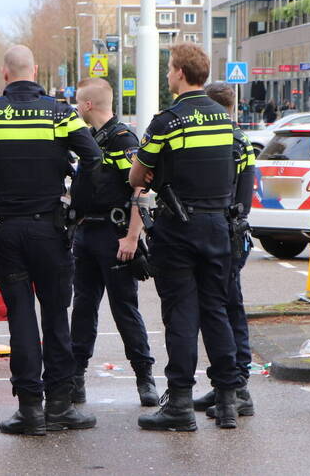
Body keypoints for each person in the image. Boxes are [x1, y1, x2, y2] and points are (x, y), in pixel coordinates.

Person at [0, 45, 101, 436]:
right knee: (56, 316)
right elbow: (93, 160)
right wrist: (75, 209)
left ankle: (29, 410)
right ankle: (60, 406)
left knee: (21, 317)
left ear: (5, 74)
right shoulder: (60, 113)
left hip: (5, 230)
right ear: (36, 70)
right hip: (50, 229)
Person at [130, 43, 240, 431]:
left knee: (181, 313)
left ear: (178, 72)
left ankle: (179, 403)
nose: (166, 74)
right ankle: (228, 401)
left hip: (178, 227)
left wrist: (143, 167)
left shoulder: (167, 121)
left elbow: (136, 177)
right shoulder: (226, 121)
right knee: (216, 312)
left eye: (169, 68)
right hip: (217, 226)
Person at [68, 77, 157, 408]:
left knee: (124, 309)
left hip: (114, 235)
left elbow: (140, 189)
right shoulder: (89, 139)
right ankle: (76, 379)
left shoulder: (122, 139)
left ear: (88, 105)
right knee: (83, 308)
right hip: (86, 235)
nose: (77, 108)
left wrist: (132, 236)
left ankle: (144, 378)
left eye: (79, 103)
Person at [195, 82, 256, 420]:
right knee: (225, 307)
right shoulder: (240, 139)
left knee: (227, 309)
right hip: (231, 232)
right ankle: (226, 386)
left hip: (223, 232)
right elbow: (246, 192)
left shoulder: (228, 139)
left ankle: (239, 388)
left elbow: (240, 195)